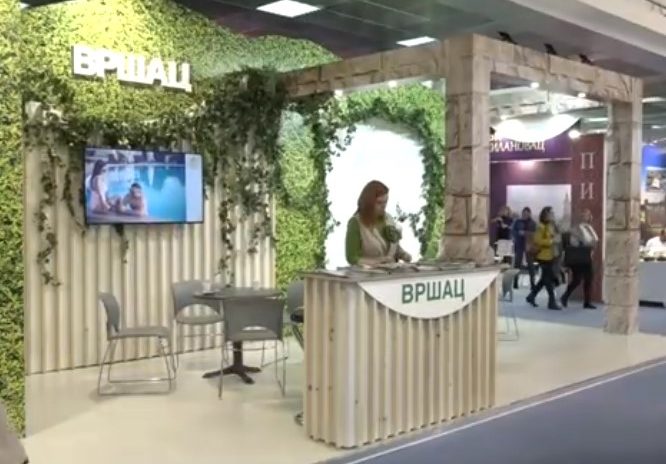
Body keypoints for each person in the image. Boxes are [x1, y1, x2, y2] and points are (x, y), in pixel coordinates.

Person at [345, 180, 412, 266]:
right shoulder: (355, 223)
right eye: (379, 202)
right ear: (368, 203)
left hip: (391, 271)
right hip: (368, 273)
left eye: (385, 202)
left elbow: (393, 246)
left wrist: (404, 255)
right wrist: (378, 261)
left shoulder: (388, 219)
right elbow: (352, 258)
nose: (383, 206)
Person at [561, 209, 598, 309]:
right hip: (579, 257)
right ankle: (565, 296)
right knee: (577, 279)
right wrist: (584, 242)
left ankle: (586, 301)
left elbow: (594, 240)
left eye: (588, 215)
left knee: (588, 279)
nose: (586, 216)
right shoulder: (577, 228)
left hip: (587, 256)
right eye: (584, 215)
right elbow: (575, 242)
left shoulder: (589, 227)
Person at [526, 206, 562, 310]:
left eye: (553, 213)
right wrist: (551, 241)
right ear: (545, 215)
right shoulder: (540, 226)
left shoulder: (551, 225)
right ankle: (551, 301)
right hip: (542, 256)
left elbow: (557, 236)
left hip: (551, 255)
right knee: (548, 279)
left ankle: (531, 296)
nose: (552, 215)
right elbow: (538, 240)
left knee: (544, 279)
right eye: (551, 213)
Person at [511, 207, 537, 290]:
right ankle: (515, 282)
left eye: (526, 213)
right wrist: (517, 234)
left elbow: (535, 234)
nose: (525, 215)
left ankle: (532, 283)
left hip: (529, 245)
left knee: (531, 265)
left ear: (529, 214)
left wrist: (525, 233)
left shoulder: (533, 223)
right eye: (523, 213)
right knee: (517, 264)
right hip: (519, 244)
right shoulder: (517, 222)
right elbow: (513, 231)